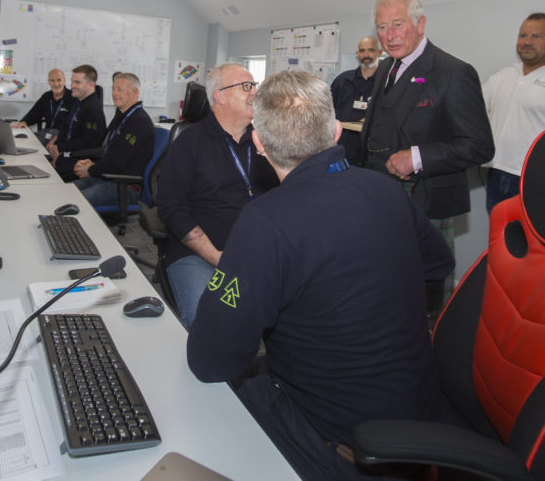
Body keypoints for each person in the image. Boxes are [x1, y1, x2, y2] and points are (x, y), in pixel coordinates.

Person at [187, 70, 454, 480]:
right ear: (334, 131)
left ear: (258, 143)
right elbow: (438, 265)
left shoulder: (265, 222)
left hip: (337, 445)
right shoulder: (386, 190)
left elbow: (210, 360)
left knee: (197, 419)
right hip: (419, 418)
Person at [360, 0, 494, 313]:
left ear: (420, 24)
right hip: (382, 200)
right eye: (381, 27)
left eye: (397, 25)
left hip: (426, 202)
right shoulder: (384, 69)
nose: (388, 36)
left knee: (428, 297)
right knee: (389, 288)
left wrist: (417, 157)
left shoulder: (453, 72)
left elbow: (479, 145)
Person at [157, 63, 278, 328]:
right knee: (207, 322)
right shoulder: (189, 143)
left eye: (255, 85)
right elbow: (171, 208)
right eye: (245, 86)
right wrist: (216, 257)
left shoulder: (265, 143)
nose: (254, 93)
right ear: (220, 96)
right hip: (201, 255)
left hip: (257, 252)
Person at [482, 12, 545, 213]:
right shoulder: (503, 76)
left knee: (534, 242)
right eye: (523, 35)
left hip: (535, 179)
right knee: (500, 240)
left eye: (536, 36)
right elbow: (471, 111)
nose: (527, 42)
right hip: (496, 173)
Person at [72, 73, 154, 207]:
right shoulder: (122, 117)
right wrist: (91, 164)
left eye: (119, 89)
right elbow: (111, 153)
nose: (114, 93)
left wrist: (91, 169)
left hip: (125, 187)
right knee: (64, 192)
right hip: (107, 178)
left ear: (135, 92)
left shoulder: (139, 122)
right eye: (113, 89)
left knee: (74, 203)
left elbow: (119, 162)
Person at [47, 64, 107, 181]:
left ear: (90, 85)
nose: (72, 86)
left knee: (46, 174)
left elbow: (90, 143)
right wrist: (56, 143)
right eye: (72, 81)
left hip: (78, 159)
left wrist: (60, 150)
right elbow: (66, 126)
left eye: (77, 82)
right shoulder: (79, 101)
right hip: (67, 153)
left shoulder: (93, 108)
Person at [330, 35, 380, 164]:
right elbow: (327, 112)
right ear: (357, 54)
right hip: (342, 152)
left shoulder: (386, 83)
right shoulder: (342, 80)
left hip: (373, 154)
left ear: (379, 53)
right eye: (362, 51)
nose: (366, 54)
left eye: (371, 50)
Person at [13, 68, 72, 145]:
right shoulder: (46, 97)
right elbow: (34, 114)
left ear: (64, 80)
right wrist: (24, 122)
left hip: (63, 136)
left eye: (59, 80)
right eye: (52, 80)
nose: (56, 84)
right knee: (24, 143)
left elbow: (76, 125)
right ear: (48, 82)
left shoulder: (73, 97)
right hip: (47, 133)